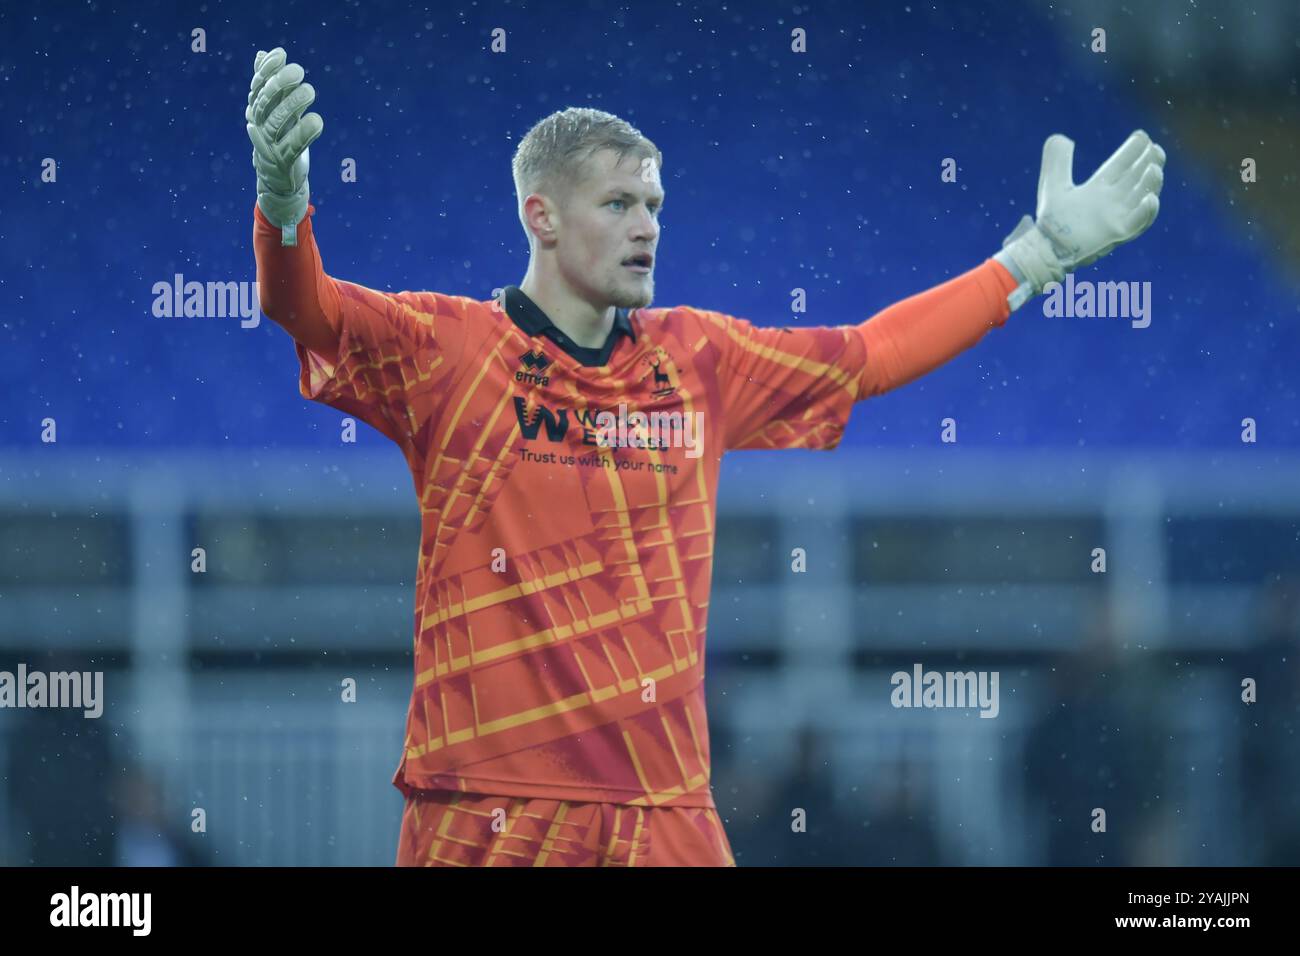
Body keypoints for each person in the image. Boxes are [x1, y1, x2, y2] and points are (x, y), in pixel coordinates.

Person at [246, 47, 1166, 866]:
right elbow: (308, 310)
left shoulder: (697, 361)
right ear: (542, 217)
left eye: (654, 204)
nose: (647, 224)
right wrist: (284, 207)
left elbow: (871, 354)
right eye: (618, 204)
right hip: (487, 815)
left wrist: (1038, 257)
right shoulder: (449, 351)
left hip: (663, 815)